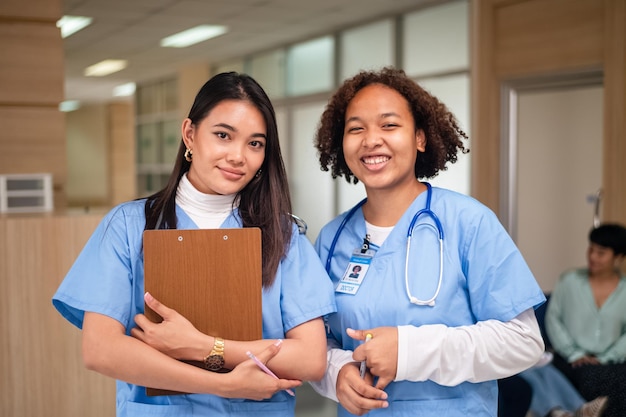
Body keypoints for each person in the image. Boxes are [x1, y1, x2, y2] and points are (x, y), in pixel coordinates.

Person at [52, 72, 337, 417]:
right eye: (223, 135)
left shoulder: (283, 235)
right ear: (189, 134)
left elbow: (309, 358)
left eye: (255, 143)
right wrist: (225, 384)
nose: (238, 156)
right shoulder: (128, 226)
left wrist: (203, 347)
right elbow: (101, 350)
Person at [309, 67, 546, 416]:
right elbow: (318, 341)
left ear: (420, 138)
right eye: (356, 128)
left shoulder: (468, 222)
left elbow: (523, 342)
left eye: (389, 125)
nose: (371, 139)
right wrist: (336, 373)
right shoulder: (332, 238)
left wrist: (410, 351)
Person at [545, 223, 626, 417]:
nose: (592, 257)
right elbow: (553, 319)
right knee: (593, 380)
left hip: (612, 359)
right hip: (571, 359)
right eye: (591, 249)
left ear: (619, 257)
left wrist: (606, 358)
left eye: (601, 252)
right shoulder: (569, 281)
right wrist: (574, 353)